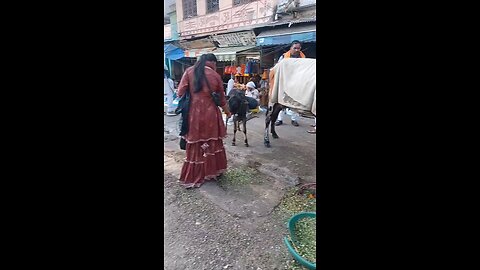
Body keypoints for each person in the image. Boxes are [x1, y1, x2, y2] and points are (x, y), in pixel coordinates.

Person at [176, 54, 232, 189]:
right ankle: (212, 171)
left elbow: (180, 92)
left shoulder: (189, 71)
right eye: (215, 64)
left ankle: (193, 175)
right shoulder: (216, 76)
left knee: (196, 145)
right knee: (212, 143)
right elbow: (222, 100)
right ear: (212, 63)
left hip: (193, 115)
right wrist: (228, 112)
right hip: (211, 115)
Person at [275, 40, 306, 127]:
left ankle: (294, 119)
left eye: (298, 48)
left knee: (295, 102)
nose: (297, 50)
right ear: (290, 48)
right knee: (281, 101)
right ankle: (279, 119)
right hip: (284, 82)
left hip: (297, 83)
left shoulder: (303, 58)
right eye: (295, 48)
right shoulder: (284, 57)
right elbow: (278, 68)